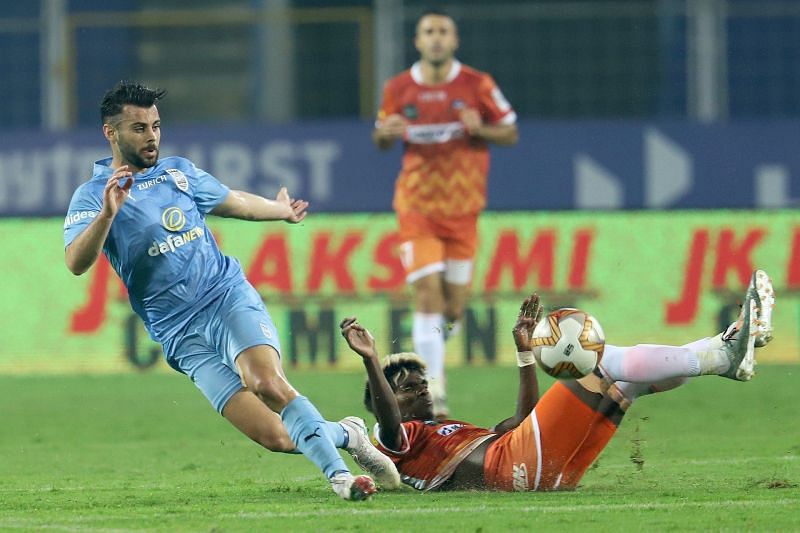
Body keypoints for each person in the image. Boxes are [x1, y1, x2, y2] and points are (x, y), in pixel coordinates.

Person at [63, 81, 400, 501]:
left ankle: (341, 479)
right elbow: (76, 261)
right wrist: (107, 215)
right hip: (179, 333)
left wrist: (281, 211)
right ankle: (347, 434)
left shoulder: (178, 173)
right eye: (138, 128)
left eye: (155, 126)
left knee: (267, 383)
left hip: (225, 298)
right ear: (110, 133)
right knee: (276, 437)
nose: (151, 136)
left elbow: (234, 201)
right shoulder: (93, 196)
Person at [340, 270, 775, 492]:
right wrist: (372, 361)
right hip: (511, 469)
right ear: (387, 402)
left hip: (544, 475)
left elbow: (524, 422)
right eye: (407, 387)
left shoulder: (445, 434)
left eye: (421, 381)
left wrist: (524, 352)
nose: (420, 388)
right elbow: (388, 422)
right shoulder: (394, 439)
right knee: (599, 363)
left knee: (626, 385)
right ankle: (722, 354)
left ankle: (727, 344)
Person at [372, 9, 519, 419]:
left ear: (453, 41)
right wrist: (385, 134)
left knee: (453, 307)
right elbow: (382, 137)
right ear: (418, 41)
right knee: (427, 296)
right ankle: (433, 394)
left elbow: (509, 131)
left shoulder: (477, 84)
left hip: (463, 210)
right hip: (416, 207)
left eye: (443, 32)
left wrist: (481, 129)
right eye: (428, 32)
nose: (435, 38)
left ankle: (431, 341)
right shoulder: (398, 88)